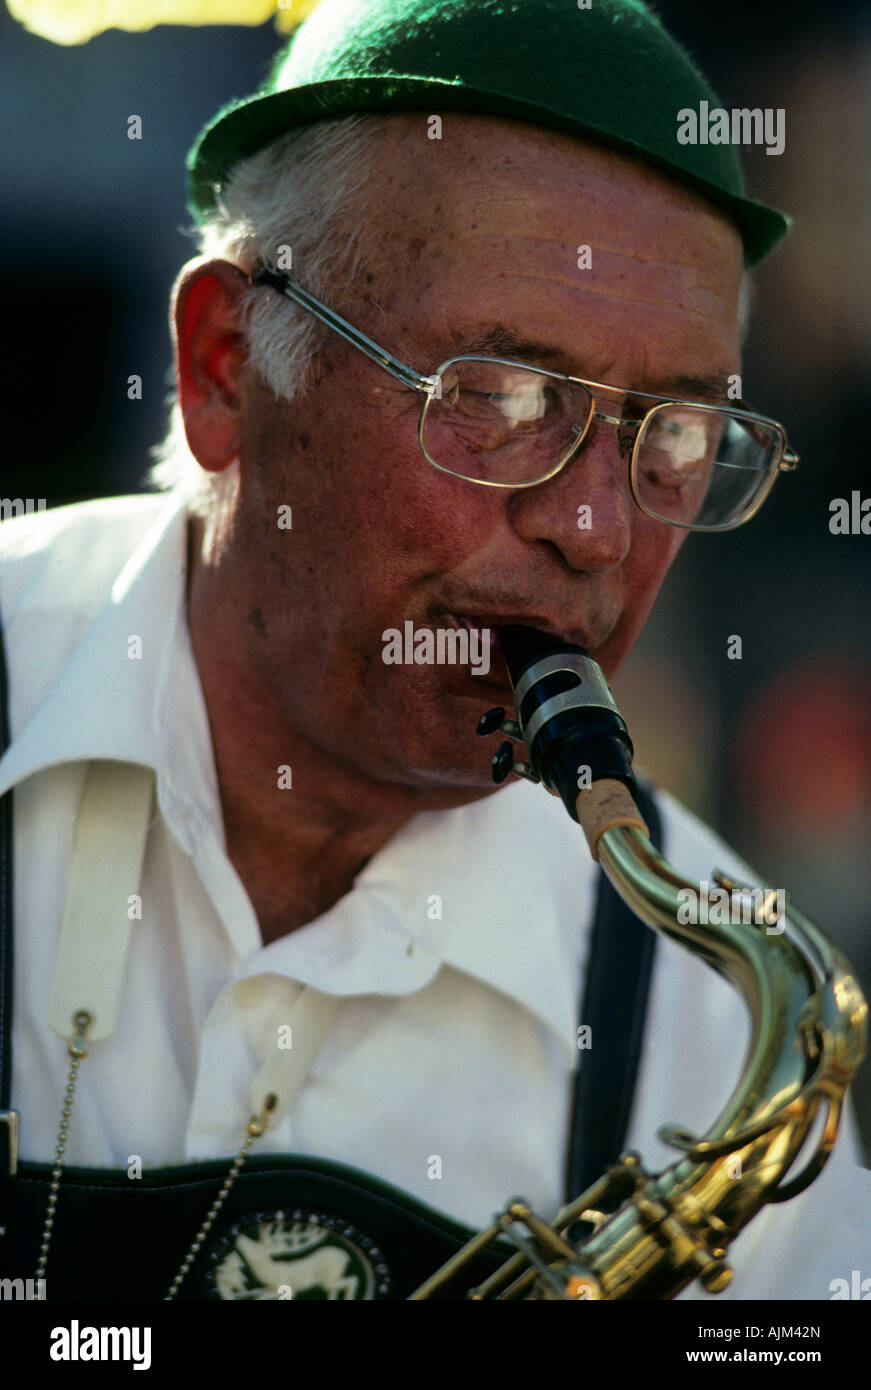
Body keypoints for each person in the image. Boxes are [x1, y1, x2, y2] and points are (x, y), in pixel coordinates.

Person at [0, 0, 868, 1303]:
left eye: (675, 433)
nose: (595, 527)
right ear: (226, 363)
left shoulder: (704, 1021)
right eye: (501, 399)